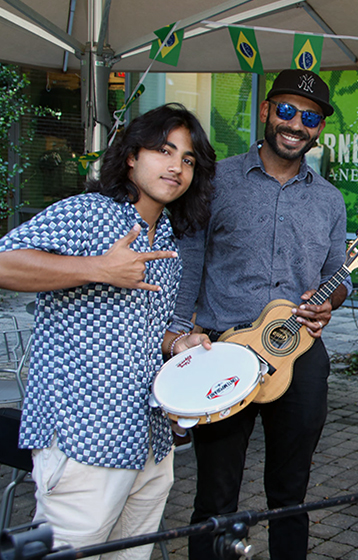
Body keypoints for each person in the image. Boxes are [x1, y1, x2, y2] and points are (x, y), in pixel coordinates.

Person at [0, 103, 216, 559]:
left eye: (189, 159)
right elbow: (4, 263)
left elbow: (143, 330)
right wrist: (97, 268)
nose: (177, 166)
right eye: (164, 150)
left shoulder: (168, 241)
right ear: (132, 156)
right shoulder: (89, 213)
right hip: (85, 438)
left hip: (151, 442)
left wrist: (179, 343)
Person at [166, 69, 349, 560]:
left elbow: (341, 275)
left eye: (310, 117)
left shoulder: (330, 200)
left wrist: (327, 303)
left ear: (319, 129)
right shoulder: (216, 180)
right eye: (287, 110)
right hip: (222, 347)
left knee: (290, 493)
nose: (296, 124)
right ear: (266, 111)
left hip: (300, 350)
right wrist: (176, 332)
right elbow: (188, 261)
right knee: (215, 494)